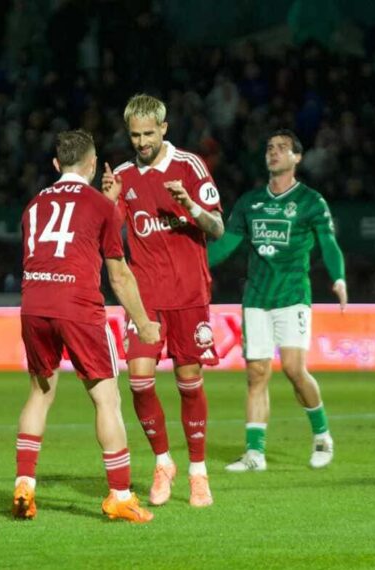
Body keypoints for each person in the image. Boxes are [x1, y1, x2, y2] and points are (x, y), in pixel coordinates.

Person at [15, 129, 161, 523]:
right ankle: (119, 495)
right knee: (107, 400)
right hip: (77, 308)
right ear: (94, 165)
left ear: (56, 165)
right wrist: (144, 323)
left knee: (39, 395)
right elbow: (119, 276)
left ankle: (24, 485)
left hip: (34, 305)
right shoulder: (100, 206)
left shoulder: (32, 205)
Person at [100, 94, 225, 508]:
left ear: (164, 128)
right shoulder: (121, 176)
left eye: (148, 134)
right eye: (134, 135)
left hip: (189, 294)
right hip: (145, 298)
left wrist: (189, 205)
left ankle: (198, 472)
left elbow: (218, 227)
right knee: (138, 379)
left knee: (189, 383)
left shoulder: (189, 167)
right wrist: (107, 202)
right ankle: (162, 461)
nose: (141, 142)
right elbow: (108, 234)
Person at [208, 129, 347, 472]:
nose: (274, 152)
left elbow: (328, 243)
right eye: (270, 147)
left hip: (292, 296)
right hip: (256, 297)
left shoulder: (311, 202)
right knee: (256, 374)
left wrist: (338, 276)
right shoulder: (250, 203)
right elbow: (226, 245)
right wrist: (190, 266)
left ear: (297, 157)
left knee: (293, 369)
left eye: (283, 148)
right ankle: (255, 454)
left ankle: (322, 436)